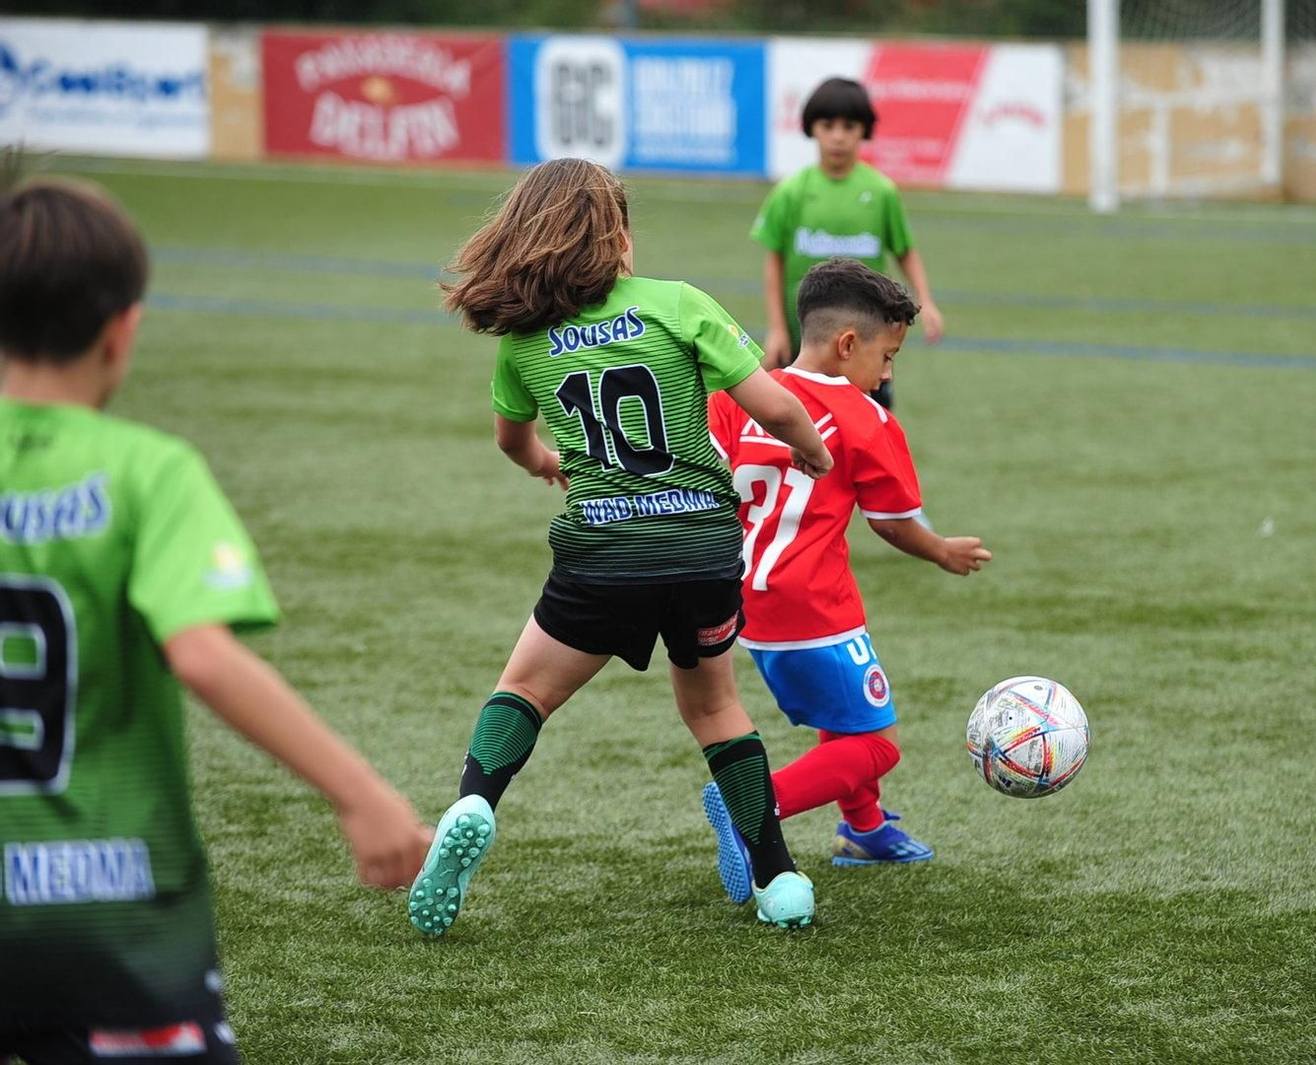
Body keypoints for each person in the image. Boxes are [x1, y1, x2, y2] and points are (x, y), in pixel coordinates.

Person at [0, 174, 432, 1062]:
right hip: (112, 909)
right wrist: (362, 794)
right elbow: (200, 652)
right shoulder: (148, 470)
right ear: (125, 328)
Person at [410, 158, 835, 935]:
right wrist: (814, 449)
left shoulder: (525, 343)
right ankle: (780, 879)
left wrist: (548, 464)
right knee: (715, 705)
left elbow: (513, 441)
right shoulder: (678, 304)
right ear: (615, 235)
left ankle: (473, 800)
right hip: (702, 549)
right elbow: (772, 403)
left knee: (527, 691)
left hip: (602, 554)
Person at [701, 258, 990, 903]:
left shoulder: (737, 396)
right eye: (887, 357)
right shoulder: (866, 419)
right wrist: (940, 550)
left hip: (747, 597)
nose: (887, 374)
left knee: (848, 716)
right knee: (879, 744)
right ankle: (754, 806)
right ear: (849, 344)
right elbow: (892, 522)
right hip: (813, 605)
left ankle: (864, 829)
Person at [750, 77, 944, 409]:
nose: (838, 136)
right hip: (804, 342)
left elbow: (905, 251)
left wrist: (927, 302)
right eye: (828, 125)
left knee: (872, 431)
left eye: (849, 126)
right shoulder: (791, 191)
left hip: (867, 346)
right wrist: (778, 328)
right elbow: (774, 261)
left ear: (864, 130)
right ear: (812, 128)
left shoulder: (881, 191)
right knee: (799, 433)